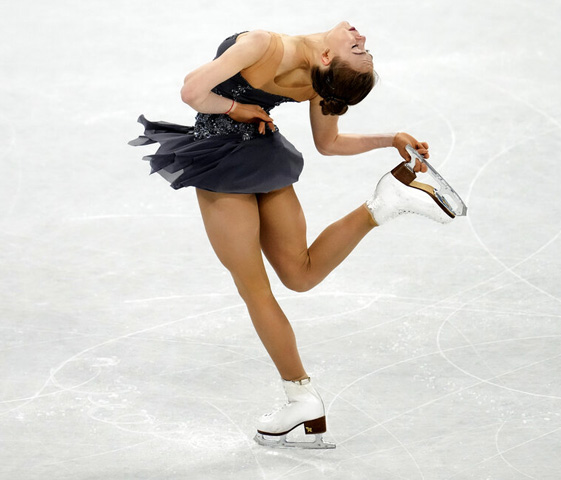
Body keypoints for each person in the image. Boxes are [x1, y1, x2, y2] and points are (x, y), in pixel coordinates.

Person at [130, 21, 455, 449]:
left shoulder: (263, 45)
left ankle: (301, 398)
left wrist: (234, 107)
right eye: (362, 48)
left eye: (359, 49)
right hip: (265, 157)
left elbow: (192, 92)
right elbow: (329, 143)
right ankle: (385, 203)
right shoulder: (322, 81)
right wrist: (390, 138)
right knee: (300, 275)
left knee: (256, 290)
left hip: (221, 164)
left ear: (327, 58)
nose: (361, 39)